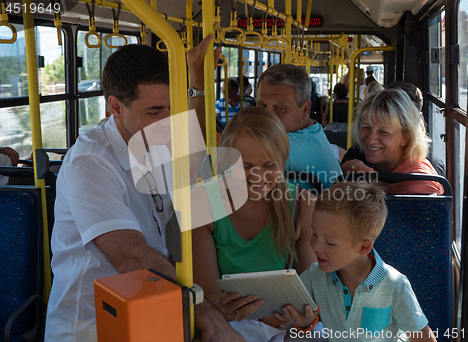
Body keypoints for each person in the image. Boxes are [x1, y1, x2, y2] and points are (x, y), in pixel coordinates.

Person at [45, 35, 246, 342]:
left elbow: (198, 165)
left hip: (155, 310)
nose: (167, 121)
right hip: (93, 327)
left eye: (172, 107)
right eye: (154, 112)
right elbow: (132, 258)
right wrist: (203, 309)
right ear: (116, 107)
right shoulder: (90, 164)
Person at [193, 107, 317, 342]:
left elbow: (310, 292)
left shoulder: (303, 206)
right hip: (225, 325)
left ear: (282, 161)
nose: (258, 176)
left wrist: (303, 319)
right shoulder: (202, 204)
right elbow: (206, 292)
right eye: (245, 166)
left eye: (269, 165)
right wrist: (224, 307)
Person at [275, 181, 438, 342]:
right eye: (315, 234)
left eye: (330, 243)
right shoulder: (313, 276)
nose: (316, 247)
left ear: (363, 248)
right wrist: (305, 323)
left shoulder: (395, 285)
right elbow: (295, 320)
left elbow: (423, 338)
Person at [256, 64, 343, 191]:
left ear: (306, 108)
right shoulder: (314, 133)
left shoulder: (289, 145)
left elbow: (226, 162)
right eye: (262, 106)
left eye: (280, 108)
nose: (268, 117)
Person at [344, 88, 444, 195]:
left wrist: (366, 177)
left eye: (383, 131)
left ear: (405, 137)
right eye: (366, 127)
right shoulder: (386, 169)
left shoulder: (419, 186)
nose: (371, 139)